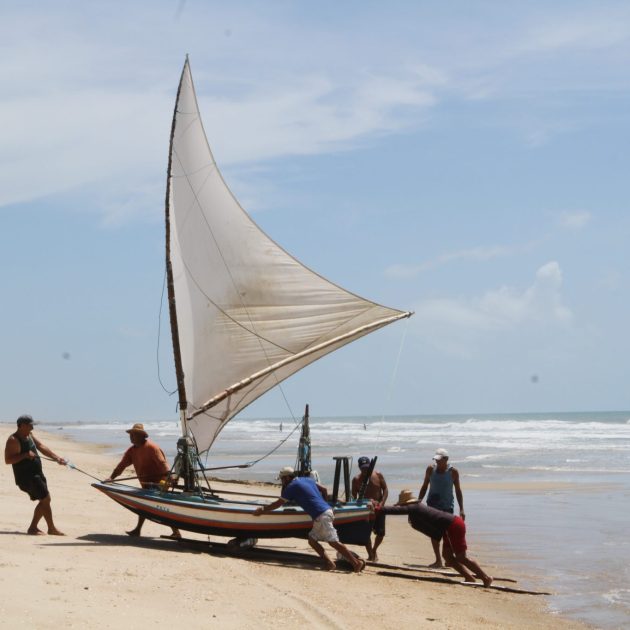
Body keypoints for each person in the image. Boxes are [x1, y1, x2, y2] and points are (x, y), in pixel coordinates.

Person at [254, 466, 366, 572]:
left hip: (322, 515)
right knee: (312, 540)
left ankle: (356, 563)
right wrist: (326, 504)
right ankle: (329, 563)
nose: (282, 482)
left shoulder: (292, 486)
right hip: (324, 513)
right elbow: (324, 489)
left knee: (333, 542)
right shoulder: (306, 479)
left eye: (283, 479)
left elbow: (278, 503)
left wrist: (263, 510)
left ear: (287, 477)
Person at [381, 489, 492, 587]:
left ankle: (485, 578)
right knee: (447, 557)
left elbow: (397, 511)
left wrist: (378, 509)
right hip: (449, 527)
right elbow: (398, 510)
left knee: (461, 557)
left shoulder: (414, 507)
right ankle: (469, 577)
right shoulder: (416, 507)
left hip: (454, 526)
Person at [105, 423, 181, 539]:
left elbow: (163, 465)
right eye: (130, 435)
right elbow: (121, 466)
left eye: (134, 435)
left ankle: (176, 532)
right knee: (142, 507)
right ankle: (138, 530)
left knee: (160, 508)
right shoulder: (132, 451)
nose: (131, 437)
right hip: (145, 483)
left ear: (141, 436)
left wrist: (171, 478)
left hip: (159, 483)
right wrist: (111, 478)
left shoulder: (152, 448)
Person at [4, 414, 66, 535]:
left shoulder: (30, 435)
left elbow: (41, 447)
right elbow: (8, 460)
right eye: (30, 425)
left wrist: (57, 458)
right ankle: (50, 528)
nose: (32, 428)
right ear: (21, 425)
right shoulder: (13, 440)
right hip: (26, 477)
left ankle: (34, 528)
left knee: (45, 500)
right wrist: (25, 455)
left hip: (37, 474)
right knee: (46, 499)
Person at [418, 447, 464, 568]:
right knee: (434, 534)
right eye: (436, 460)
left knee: (447, 535)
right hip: (432, 505)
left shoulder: (453, 472)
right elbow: (424, 486)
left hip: (447, 506)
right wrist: (418, 501)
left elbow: (458, 491)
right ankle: (438, 560)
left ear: (446, 459)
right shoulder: (430, 469)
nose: (437, 462)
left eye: (439, 460)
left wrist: (462, 509)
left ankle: (448, 559)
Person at [351, 456, 388, 561]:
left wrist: (382, 503)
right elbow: (354, 498)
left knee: (381, 533)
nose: (365, 470)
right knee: (366, 533)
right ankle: (371, 554)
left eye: (367, 467)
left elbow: (385, 489)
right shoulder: (356, 480)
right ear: (359, 467)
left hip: (379, 507)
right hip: (365, 510)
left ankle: (374, 550)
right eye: (363, 468)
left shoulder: (378, 475)